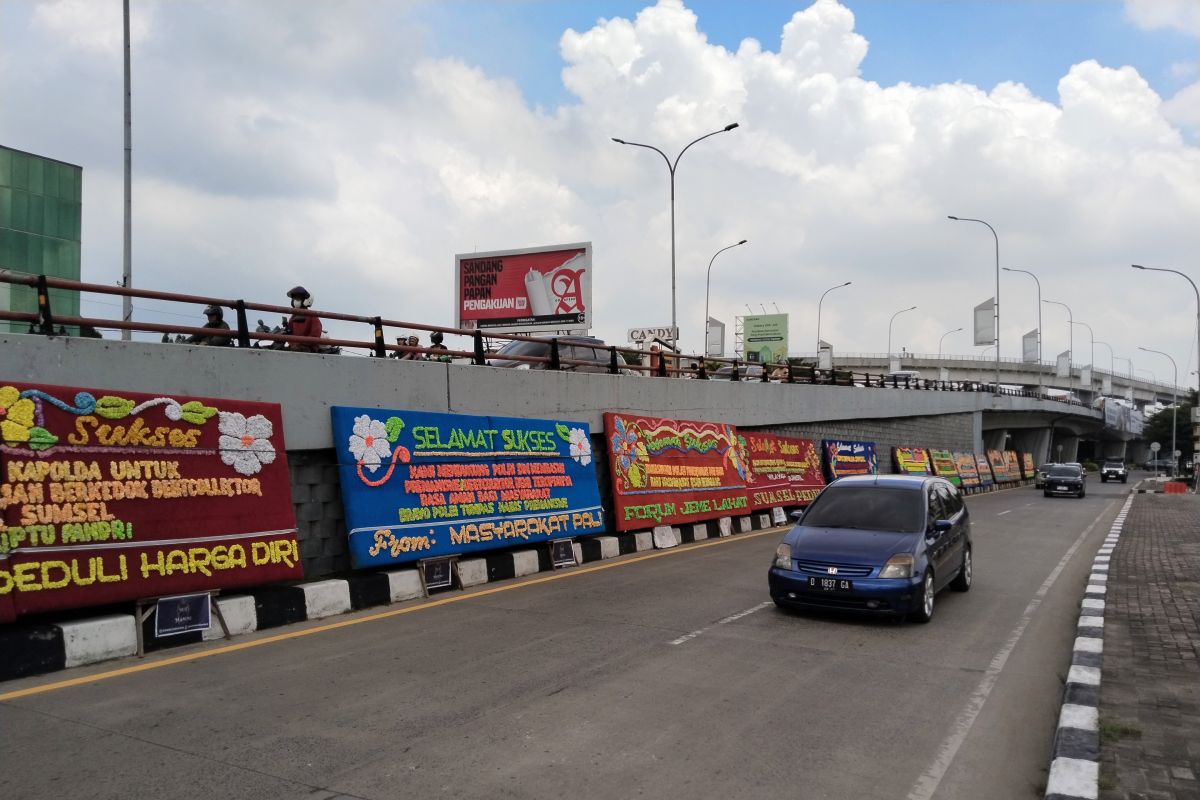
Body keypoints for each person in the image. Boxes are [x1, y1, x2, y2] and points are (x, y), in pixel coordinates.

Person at [284, 286, 322, 352]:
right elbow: (290, 333)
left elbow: (315, 336)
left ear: (305, 300)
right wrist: (286, 330)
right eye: (294, 298)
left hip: (309, 348)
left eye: (297, 298)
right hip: (294, 347)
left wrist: (299, 344)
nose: (295, 300)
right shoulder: (293, 316)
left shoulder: (312, 316)